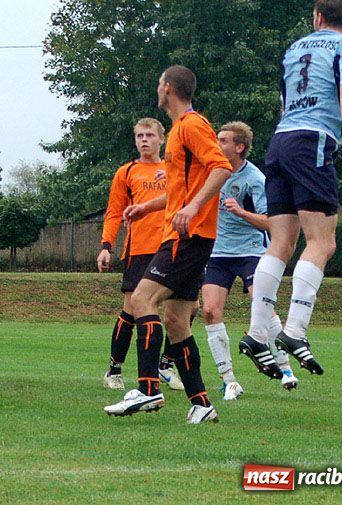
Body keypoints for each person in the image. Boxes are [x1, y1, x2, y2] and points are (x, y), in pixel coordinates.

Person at [241, 0, 342, 378]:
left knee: (281, 243)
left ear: (317, 16)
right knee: (323, 242)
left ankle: (257, 332)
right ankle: (294, 330)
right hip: (312, 141)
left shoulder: (293, 49)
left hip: (279, 142)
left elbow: (284, 102)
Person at [103, 65, 232, 424]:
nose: (157, 88)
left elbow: (221, 168)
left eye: (159, 83)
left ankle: (147, 389)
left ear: (169, 88)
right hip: (190, 235)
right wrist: (148, 205)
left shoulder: (191, 125)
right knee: (176, 321)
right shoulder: (177, 131)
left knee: (142, 299)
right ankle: (202, 405)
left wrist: (192, 208)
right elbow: (182, 189)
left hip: (186, 237)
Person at [200, 122, 298, 401]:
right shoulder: (213, 173)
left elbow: (270, 223)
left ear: (239, 147)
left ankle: (286, 368)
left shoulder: (254, 178)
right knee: (209, 311)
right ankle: (229, 380)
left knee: (262, 306)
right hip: (218, 252)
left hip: (251, 251)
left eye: (223, 141)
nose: (217, 145)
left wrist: (241, 212)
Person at [97, 119, 185, 391]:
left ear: (162, 139)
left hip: (173, 247)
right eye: (139, 135)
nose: (144, 140)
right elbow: (114, 212)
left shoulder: (174, 170)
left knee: (184, 311)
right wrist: (106, 246)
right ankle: (114, 369)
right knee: (132, 310)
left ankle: (166, 365)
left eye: (149, 135)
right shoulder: (127, 172)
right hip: (140, 251)